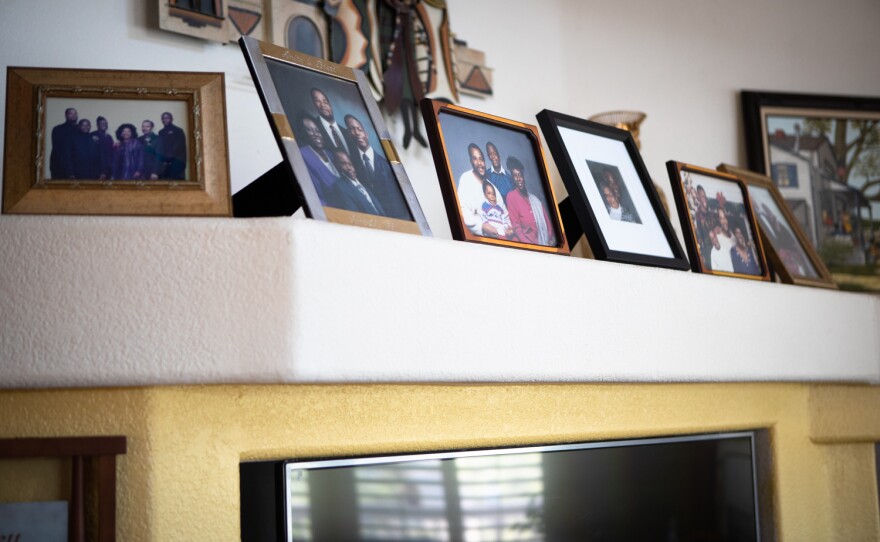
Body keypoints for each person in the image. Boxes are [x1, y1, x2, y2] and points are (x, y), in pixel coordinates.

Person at [344, 114, 410, 220]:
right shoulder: (352, 165)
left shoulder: (389, 164)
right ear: (349, 134)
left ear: (366, 134)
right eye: (352, 129)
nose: (356, 133)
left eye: (359, 129)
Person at [505, 156, 556, 246]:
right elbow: (517, 228)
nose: (518, 179)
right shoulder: (511, 196)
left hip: (546, 243)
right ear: (512, 178)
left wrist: (548, 241)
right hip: (529, 246)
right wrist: (531, 247)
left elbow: (548, 224)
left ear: (523, 177)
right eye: (515, 176)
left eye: (520, 175)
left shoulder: (535, 200)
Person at [457, 143, 506, 236]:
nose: (479, 163)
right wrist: (482, 227)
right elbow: (461, 209)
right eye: (475, 159)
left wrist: (507, 229)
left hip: (499, 240)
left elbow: (504, 213)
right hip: (476, 239)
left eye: (481, 159)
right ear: (471, 161)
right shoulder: (466, 178)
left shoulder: (492, 186)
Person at [298, 114, 340, 206]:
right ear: (303, 133)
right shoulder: (303, 154)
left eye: (317, 130)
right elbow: (313, 195)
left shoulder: (330, 154)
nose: (316, 134)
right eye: (309, 130)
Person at [330, 149, 385, 216]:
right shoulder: (340, 187)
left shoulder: (364, 185)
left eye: (350, 163)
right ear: (336, 165)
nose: (349, 168)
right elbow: (354, 215)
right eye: (344, 164)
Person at [310, 88, 350, 154]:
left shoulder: (347, 133)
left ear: (330, 105)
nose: (322, 105)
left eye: (325, 102)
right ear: (314, 105)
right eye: (317, 101)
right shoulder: (314, 129)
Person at [49, 107, 78, 179]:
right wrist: (67, 168)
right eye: (70, 113)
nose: (73, 115)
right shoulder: (58, 129)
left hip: (76, 167)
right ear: (66, 115)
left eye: (75, 113)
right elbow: (57, 149)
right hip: (59, 166)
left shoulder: (80, 129)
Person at [156, 112, 187, 180]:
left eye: (167, 118)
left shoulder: (178, 130)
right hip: (164, 164)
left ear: (171, 119)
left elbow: (179, 146)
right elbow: (160, 148)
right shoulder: (161, 132)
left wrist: (168, 158)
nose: (165, 120)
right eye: (163, 118)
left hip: (176, 162)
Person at [693, 185, 716, 269]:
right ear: (698, 198)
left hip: (716, 247)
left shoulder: (710, 213)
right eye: (702, 196)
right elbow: (703, 234)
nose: (705, 198)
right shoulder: (698, 215)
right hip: (707, 250)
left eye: (705, 195)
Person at [709, 208, 735, 272]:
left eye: (725, 218)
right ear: (718, 220)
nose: (724, 221)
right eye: (721, 219)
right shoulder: (717, 237)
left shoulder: (732, 234)